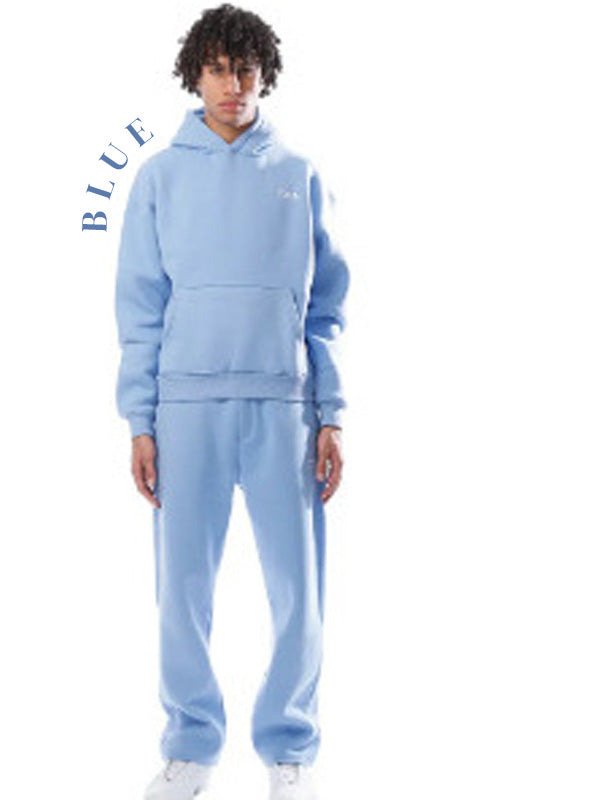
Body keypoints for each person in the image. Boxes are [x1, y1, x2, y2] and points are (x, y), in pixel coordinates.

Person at [114, 5, 349, 799]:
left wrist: (331, 411)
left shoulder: (299, 174)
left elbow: (327, 306)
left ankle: (289, 751)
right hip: (185, 406)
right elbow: (140, 306)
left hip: (283, 406)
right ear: (195, 74)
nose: (233, 84)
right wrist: (140, 420)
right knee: (181, 590)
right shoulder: (159, 178)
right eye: (217, 68)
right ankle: (191, 747)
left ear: (264, 76)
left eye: (246, 69)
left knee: (299, 591)